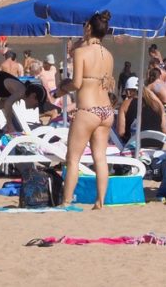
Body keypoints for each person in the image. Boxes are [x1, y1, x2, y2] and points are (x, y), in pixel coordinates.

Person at [55, 11, 115, 208]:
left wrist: (62, 87)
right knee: (100, 157)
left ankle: (66, 200)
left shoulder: (81, 53)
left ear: (88, 28)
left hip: (88, 110)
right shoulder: (109, 55)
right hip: (106, 111)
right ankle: (100, 201)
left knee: (73, 158)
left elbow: (77, 83)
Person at [116, 75, 166, 147]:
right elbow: (162, 126)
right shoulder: (155, 104)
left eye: (125, 93)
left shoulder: (125, 104)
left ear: (129, 92)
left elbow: (121, 132)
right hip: (158, 145)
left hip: (137, 147)